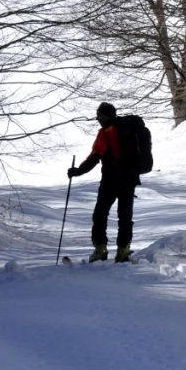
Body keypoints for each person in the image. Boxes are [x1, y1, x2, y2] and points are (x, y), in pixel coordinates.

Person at [68, 102, 138, 263]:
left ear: (106, 116)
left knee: (100, 214)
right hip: (129, 180)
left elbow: (94, 157)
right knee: (125, 217)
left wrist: (78, 171)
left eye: (100, 116)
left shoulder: (106, 133)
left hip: (110, 181)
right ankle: (123, 252)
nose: (98, 119)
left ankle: (100, 250)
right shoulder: (129, 129)